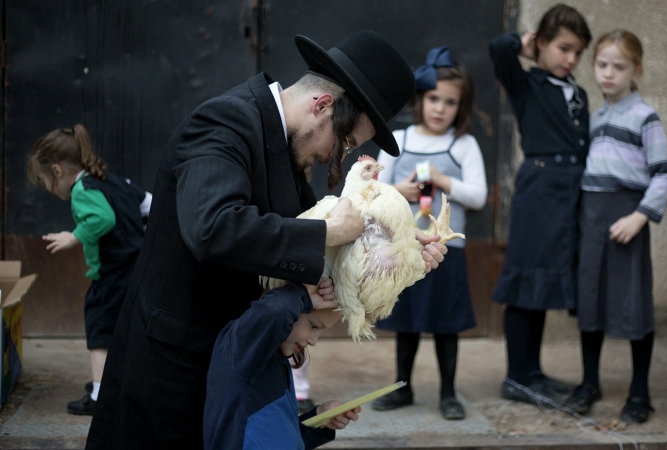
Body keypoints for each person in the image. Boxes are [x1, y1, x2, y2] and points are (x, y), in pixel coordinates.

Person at [86, 30, 448, 449]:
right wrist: (327, 231)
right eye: (344, 142)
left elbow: (316, 250)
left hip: (230, 369)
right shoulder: (224, 122)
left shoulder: (289, 150)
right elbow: (212, 227)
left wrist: (401, 250)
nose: (338, 157)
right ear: (323, 106)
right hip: (172, 369)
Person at [563, 30, 667, 424]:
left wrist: (639, 216)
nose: (609, 74)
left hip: (627, 214)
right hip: (591, 216)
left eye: (620, 66)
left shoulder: (645, 116)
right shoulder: (595, 118)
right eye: (602, 65)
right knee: (590, 298)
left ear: (636, 70)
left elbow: (664, 175)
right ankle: (589, 382)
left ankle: (639, 391)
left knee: (633, 302)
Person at [371, 46, 488, 420]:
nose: (440, 108)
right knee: (406, 323)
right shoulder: (399, 141)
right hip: (404, 250)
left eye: (450, 102)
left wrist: (442, 180)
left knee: (444, 324)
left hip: (445, 253)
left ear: (461, 106)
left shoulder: (463, 145)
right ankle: (401, 387)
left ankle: (448, 394)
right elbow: (375, 192)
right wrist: (398, 192)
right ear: (420, 99)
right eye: (433, 98)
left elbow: (480, 195)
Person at [489, 4, 592, 404]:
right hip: (540, 189)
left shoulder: (579, 93)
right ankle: (516, 377)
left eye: (578, 52)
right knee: (527, 279)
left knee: (546, 282)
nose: (571, 59)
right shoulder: (526, 83)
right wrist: (525, 43)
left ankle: (533, 372)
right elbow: (499, 49)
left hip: (571, 191)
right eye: (563, 48)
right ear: (542, 45)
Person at [26, 124, 149, 416]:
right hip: (134, 267)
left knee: (99, 328)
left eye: (44, 179)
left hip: (113, 272)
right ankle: (114, 384)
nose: (46, 187)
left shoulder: (82, 190)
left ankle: (99, 395)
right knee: (121, 328)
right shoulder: (109, 179)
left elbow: (102, 219)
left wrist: (74, 236)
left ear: (57, 171)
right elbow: (147, 203)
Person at [204, 283, 359, 449]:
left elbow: (283, 437)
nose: (314, 341)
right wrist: (302, 292)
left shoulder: (280, 361)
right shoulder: (243, 346)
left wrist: (319, 418)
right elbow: (277, 308)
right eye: (313, 326)